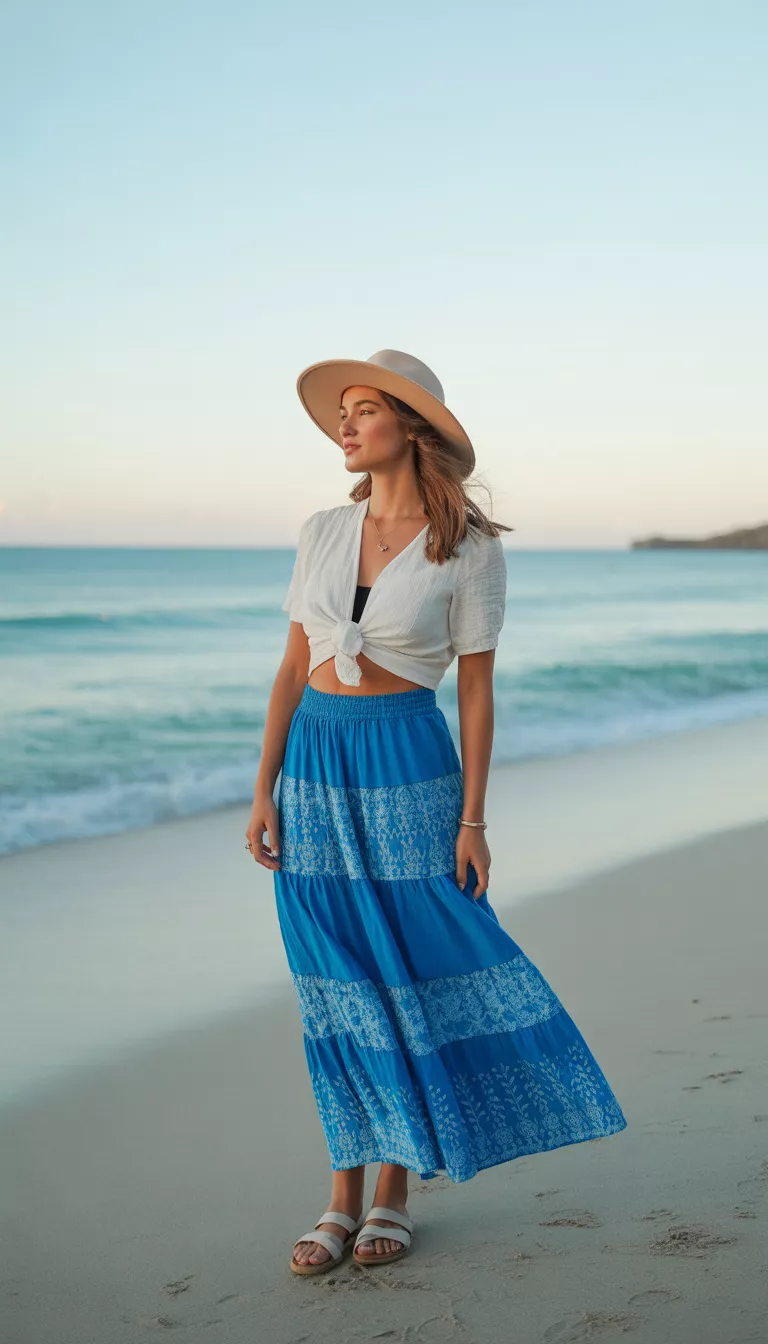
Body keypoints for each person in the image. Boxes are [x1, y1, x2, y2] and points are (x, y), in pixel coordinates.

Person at [245, 349, 627, 1277]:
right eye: (342, 412)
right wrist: (263, 786)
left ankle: (395, 1191)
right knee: (333, 981)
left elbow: (477, 696)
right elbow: (294, 667)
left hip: (411, 767)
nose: (345, 424)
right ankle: (340, 1196)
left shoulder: (471, 547)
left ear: (411, 428)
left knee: (405, 971)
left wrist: (474, 820)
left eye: (364, 409)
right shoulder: (320, 532)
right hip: (318, 767)